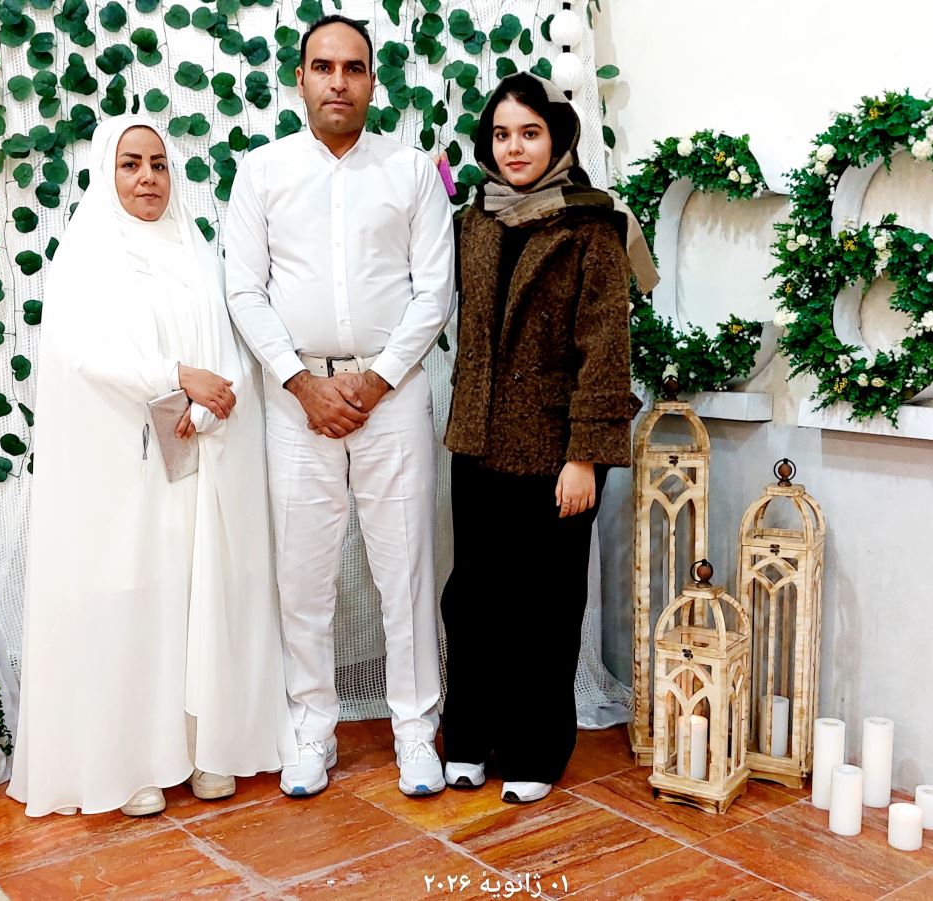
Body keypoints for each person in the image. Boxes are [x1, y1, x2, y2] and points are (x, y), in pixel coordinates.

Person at [9, 115, 298, 817]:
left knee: (199, 592)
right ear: (106, 173)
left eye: (159, 164)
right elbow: (81, 354)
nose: (147, 178)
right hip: (124, 463)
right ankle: (130, 757)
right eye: (131, 164)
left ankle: (205, 747)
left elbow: (232, 343)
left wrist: (209, 401)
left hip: (200, 452)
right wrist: (174, 377)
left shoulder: (196, 250)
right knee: (134, 596)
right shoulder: (87, 254)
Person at [224, 15, 455, 798]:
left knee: (406, 571)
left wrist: (377, 379)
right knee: (303, 576)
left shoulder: (411, 172)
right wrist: (301, 383)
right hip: (297, 402)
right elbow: (243, 290)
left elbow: (435, 292)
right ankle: (311, 731)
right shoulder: (262, 172)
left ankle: (415, 732)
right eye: (323, 66)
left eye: (353, 68)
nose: (338, 81)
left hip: (393, 395)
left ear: (372, 81)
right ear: (299, 78)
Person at [440, 74, 652, 804]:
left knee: (545, 607)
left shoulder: (592, 227)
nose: (515, 148)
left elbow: (606, 350)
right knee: (474, 601)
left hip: (559, 455)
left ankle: (535, 748)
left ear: (558, 139)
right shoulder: (474, 221)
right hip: (477, 442)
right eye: (502, 134)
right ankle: (470, 738)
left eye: (530, 133)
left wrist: (585, 456)